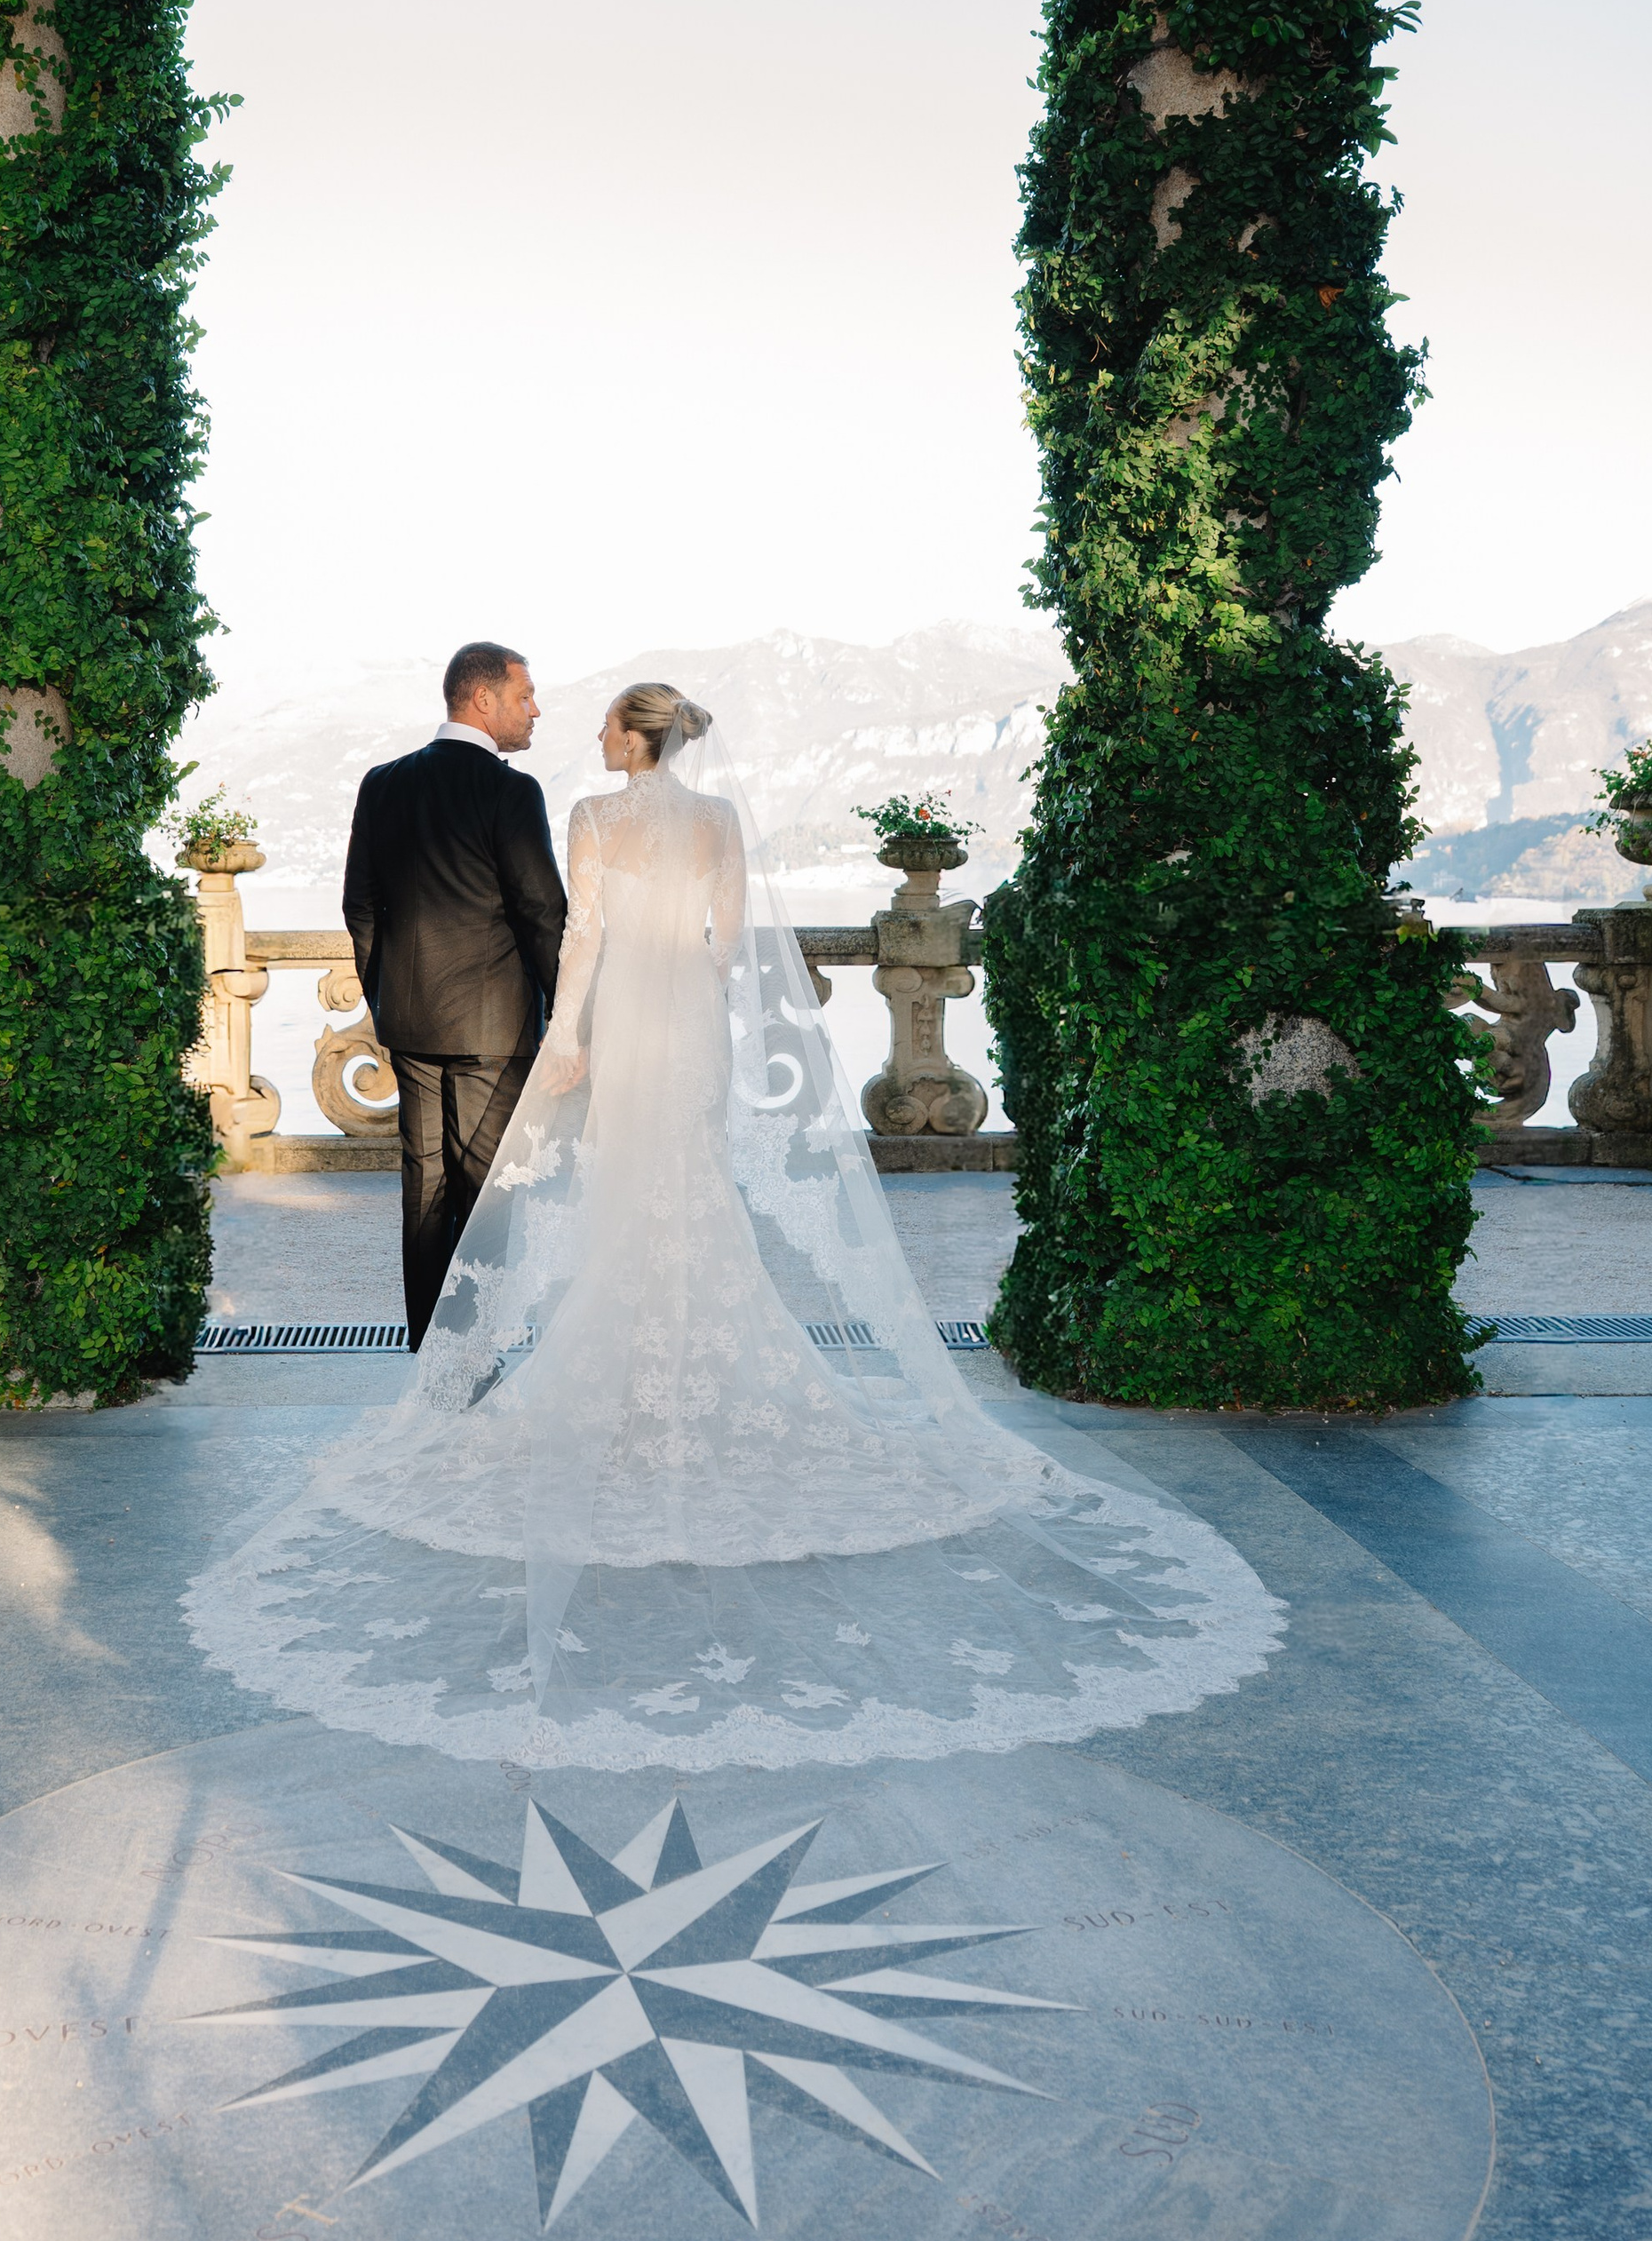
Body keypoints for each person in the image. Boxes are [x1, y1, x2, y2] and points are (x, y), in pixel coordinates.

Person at [189, 684, 1280, 1771]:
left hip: (621, 1022)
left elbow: (580, 946)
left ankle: (623, 1388)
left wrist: (569, 1042)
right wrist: (682, 1006)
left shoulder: (595, 818)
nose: (593, 735)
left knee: (628, 1208)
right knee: (693, 1200)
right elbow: (724, 950)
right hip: (693, 1033)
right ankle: (683, 1380)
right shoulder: (713, 823)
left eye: (609, 723)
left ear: (633, 735)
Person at [343, 640, 568, 1350]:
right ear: (482, 700)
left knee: (425, 1185)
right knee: (487, 1188)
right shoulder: (509, 791)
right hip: (493, 1030)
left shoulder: (382, 782)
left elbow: (361, 907)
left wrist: (385, 1001)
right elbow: (541, 913)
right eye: (525, 696)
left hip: (409, 1022)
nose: (535, 710)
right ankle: (473, 1350)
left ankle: (427, 1346)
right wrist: (568, 1014)